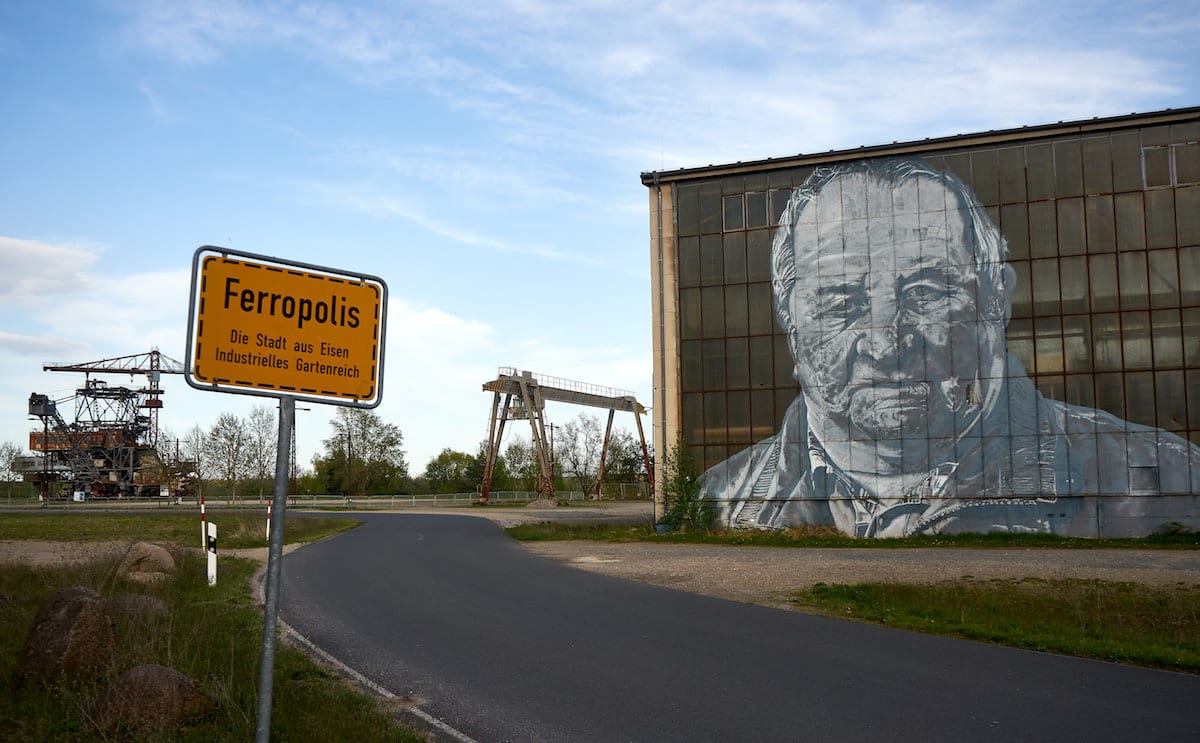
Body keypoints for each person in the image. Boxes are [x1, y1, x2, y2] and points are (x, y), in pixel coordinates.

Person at [700, 157, 1200, 537]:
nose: (885, 343)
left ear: (996, 298)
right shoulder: (718, 496)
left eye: (926, 292)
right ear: (789, 318)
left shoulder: (1168, 479)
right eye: (839, 301)